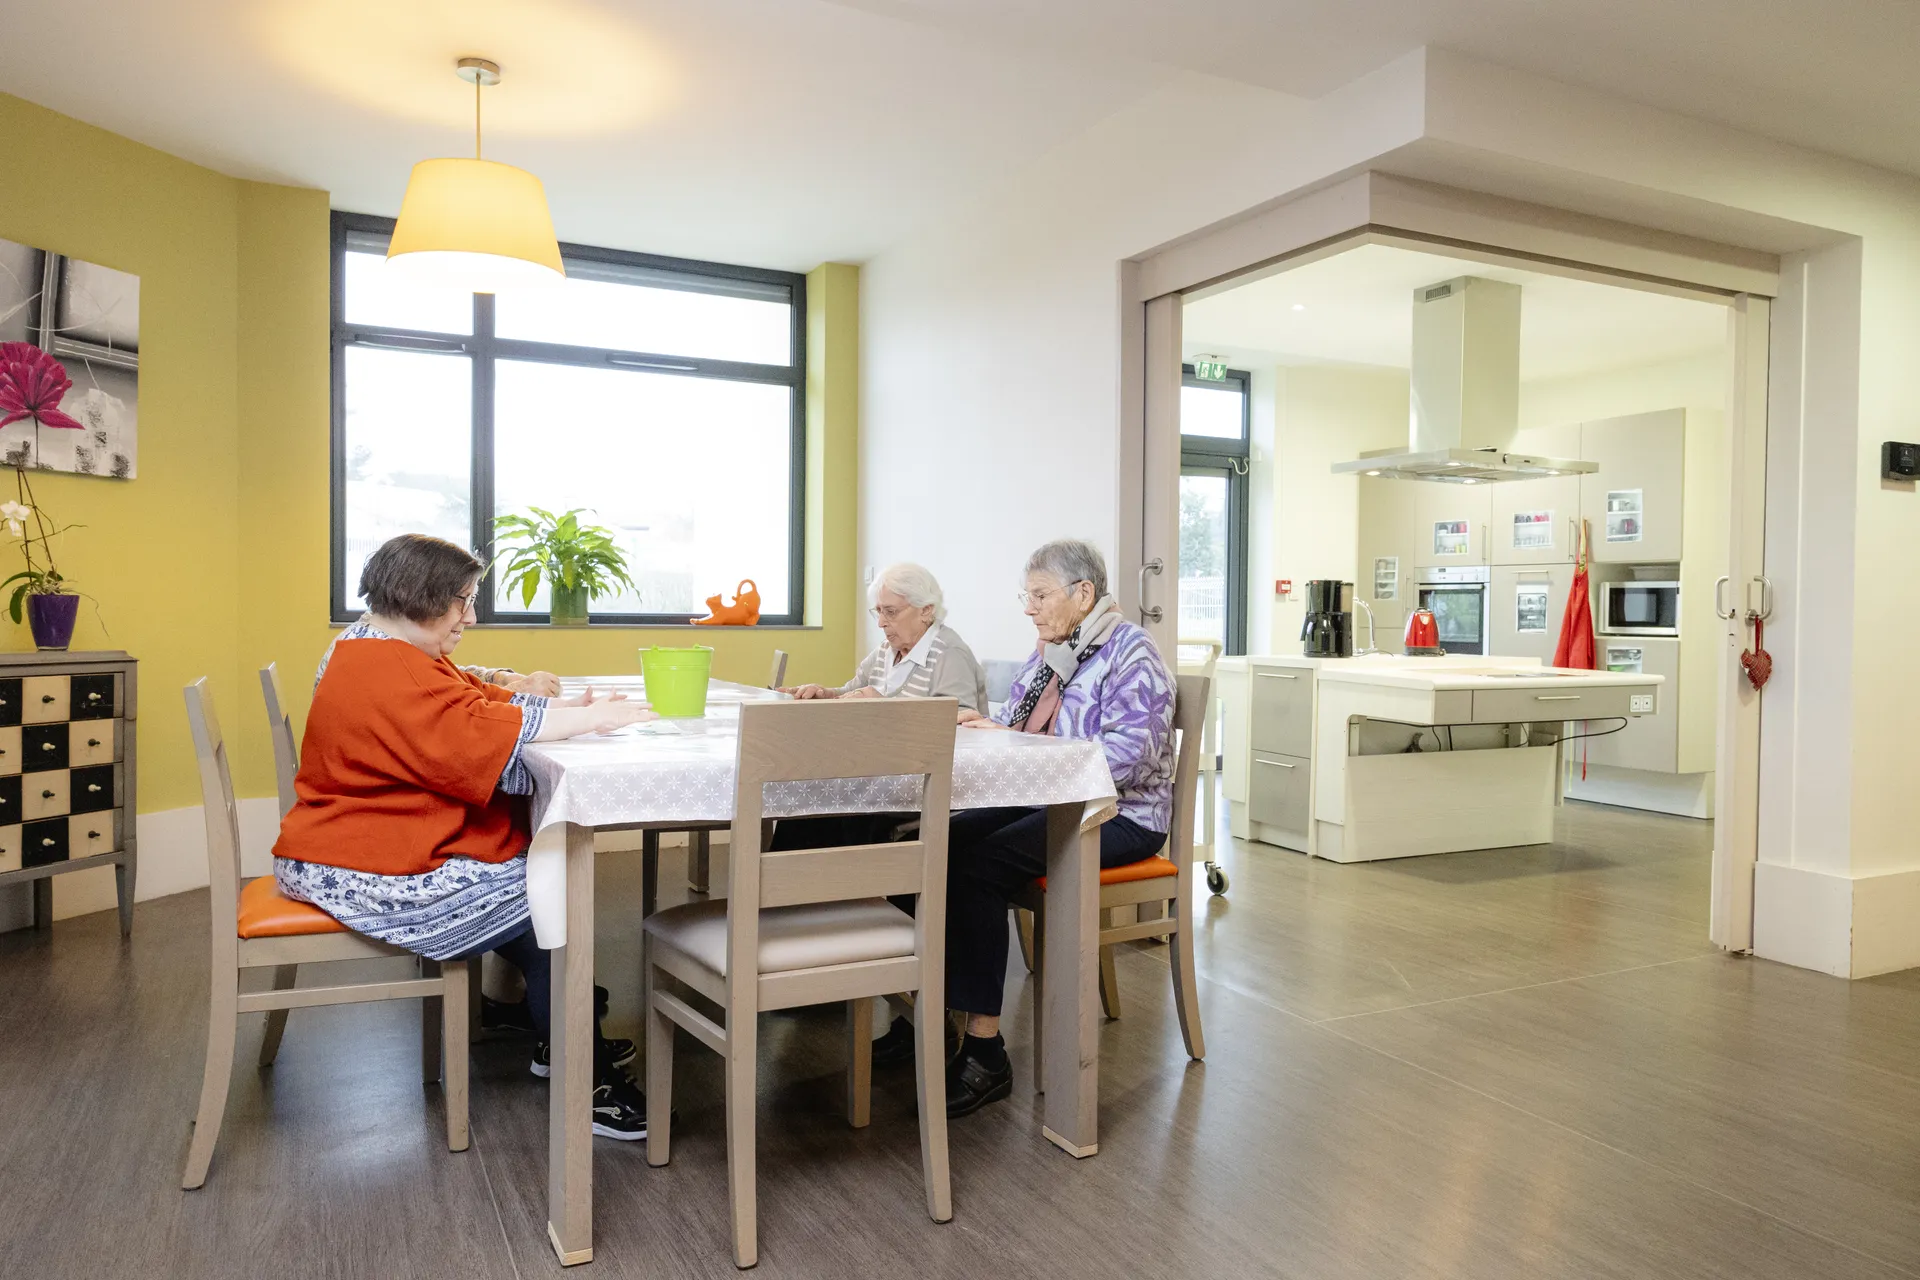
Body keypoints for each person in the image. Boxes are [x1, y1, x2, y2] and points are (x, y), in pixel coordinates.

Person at [272, 534, 660, 1139]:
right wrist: (590, 718)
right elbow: (472, 732)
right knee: (548, 900)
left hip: (340, 837)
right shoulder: (388, 665)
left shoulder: (369, 642)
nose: (470, 617)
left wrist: (562, 711)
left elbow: (464, 698)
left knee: (534, 877)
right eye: (463, 601)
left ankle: (551, 1021)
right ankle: (582, 1073)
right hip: (354, 865)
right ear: (420, 596)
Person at [944, 538, 1175, 1118]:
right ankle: (932, 1017)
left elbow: (1130, 757)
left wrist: (1025, 749)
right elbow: (1017, 724)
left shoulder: (1131, 651)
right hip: (1052, 799)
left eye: (1040, 595)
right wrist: (988, 726)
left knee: (977, 867)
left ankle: (985, 1053)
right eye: (1027, 596)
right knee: (940, 842)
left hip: (1119, 814)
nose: (1029, 608)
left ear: (1083, 593)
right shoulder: (1054, 652)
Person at [782, 562, 988, 713]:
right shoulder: (886, 650)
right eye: (879, 611)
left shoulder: (949, 654)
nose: (881, 623)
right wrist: (825, 695)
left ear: (926, 610)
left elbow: (961, 724)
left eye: (891, 612)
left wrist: (884, 707)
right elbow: (851, 692)